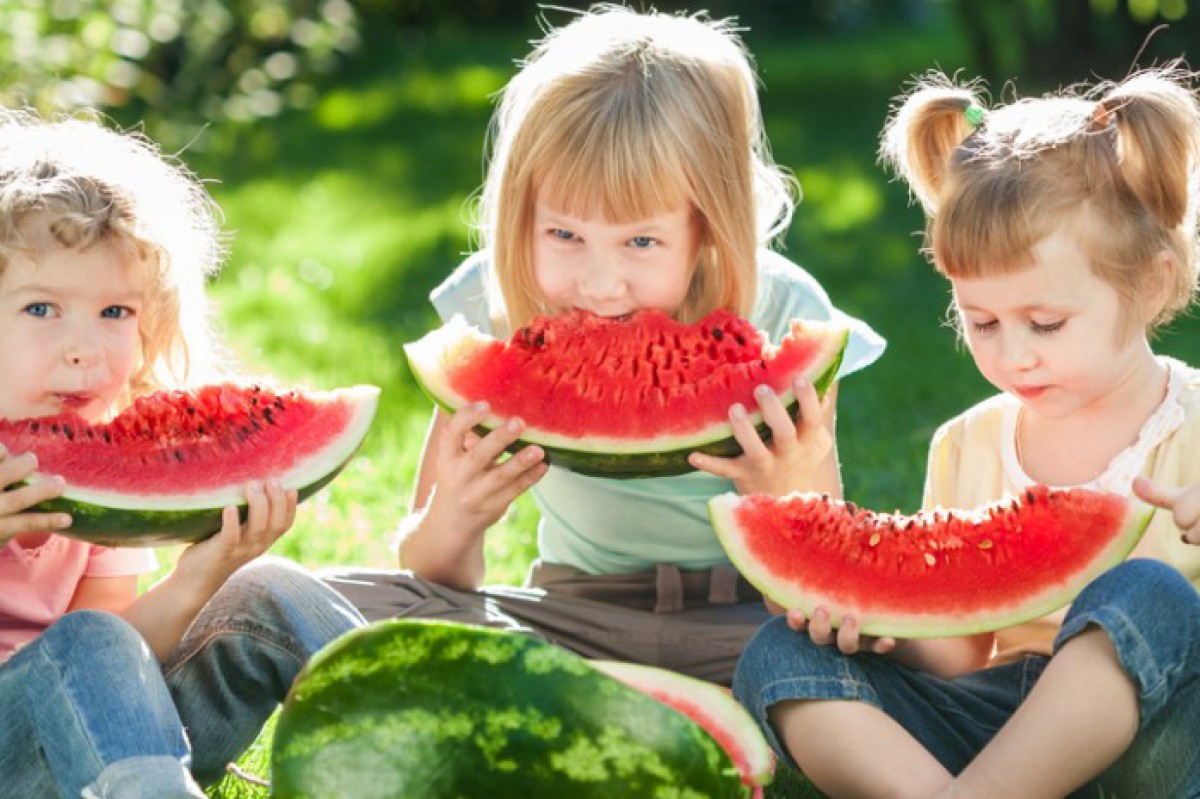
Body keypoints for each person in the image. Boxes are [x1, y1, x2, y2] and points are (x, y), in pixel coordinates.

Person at [323, 4, 885, 685]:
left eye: (641, 241)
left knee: (838, 652)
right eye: (563, 234)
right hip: (568, 618)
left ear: (708, 225)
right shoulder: (492, 303)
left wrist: (787, 499)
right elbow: (435, 572)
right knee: (330, 603)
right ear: (518, 214)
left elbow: (808, 595)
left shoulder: (789, 313)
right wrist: (456, 518)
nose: (596, 282)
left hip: (746, 629)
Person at [733, 66, 1200, 797]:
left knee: (1148, 593)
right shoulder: (966, 443)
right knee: (778, 658)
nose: (1012, 354)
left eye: (1045, 323)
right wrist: (874, 614)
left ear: (1149, 284)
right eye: (981, 322)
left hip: (1163, 733)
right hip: (996, 725)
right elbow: (956, 652)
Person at [0, 110, 366, 799]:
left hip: (116, 757)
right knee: (86, 642)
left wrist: (205, 570)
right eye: (42, 308)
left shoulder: (100, 479)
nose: (85, 346)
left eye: (115, 313)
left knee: (270, 592)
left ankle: (438, 738)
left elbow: (121, 652)